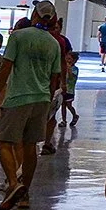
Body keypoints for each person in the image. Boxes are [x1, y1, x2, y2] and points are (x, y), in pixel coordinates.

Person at [0, 0, 63, 210]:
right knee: (30, 146)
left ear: (34, 14)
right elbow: (55, 77)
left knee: (4, 140)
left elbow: (6, 67)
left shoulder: (18, 37)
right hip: (41, 99)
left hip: (18, 97)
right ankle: (24, 195)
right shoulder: (53, 44)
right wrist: (48, 101)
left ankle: (14, 183)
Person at [41, 15, 73, 154]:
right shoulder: (57, 41)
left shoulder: (60, 41)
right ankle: (44, 142)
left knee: (51, 113)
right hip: (47, 82)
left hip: (52, 83)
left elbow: (63, 62)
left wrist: (63, 82)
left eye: (56, 28)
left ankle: (46, 142)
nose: (54, 30)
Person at [61, 52, 80, 126]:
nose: (67, 60)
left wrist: (68, 68)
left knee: (68, 105)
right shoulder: (64, 68)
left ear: (74, 60)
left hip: (70, 91)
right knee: (63, 105)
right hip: (63, 89)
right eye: (66, 59)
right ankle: (64, 120)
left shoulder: (75, 69)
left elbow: (71, 78)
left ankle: (75, 115)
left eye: (69, 59)